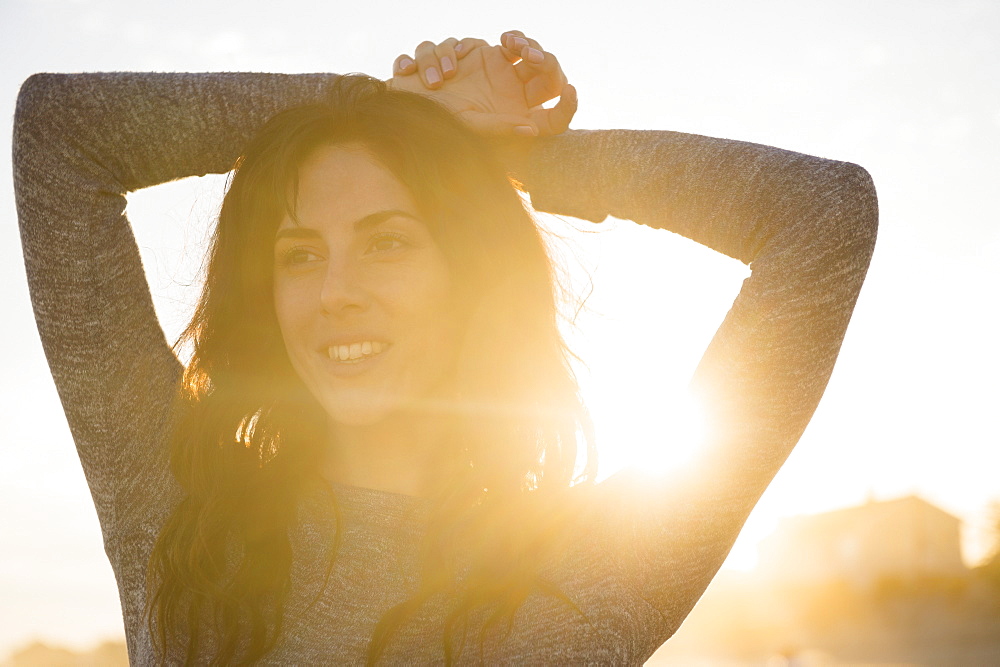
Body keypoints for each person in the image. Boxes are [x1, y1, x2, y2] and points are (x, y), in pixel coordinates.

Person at [12, 31, 877, 665]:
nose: (336, 289)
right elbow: (58, 133)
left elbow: (824, 215)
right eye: (300, 253)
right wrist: (380, 108)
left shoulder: (598, 563)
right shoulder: (174, 510)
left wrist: (503, 156)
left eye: (388, 241)